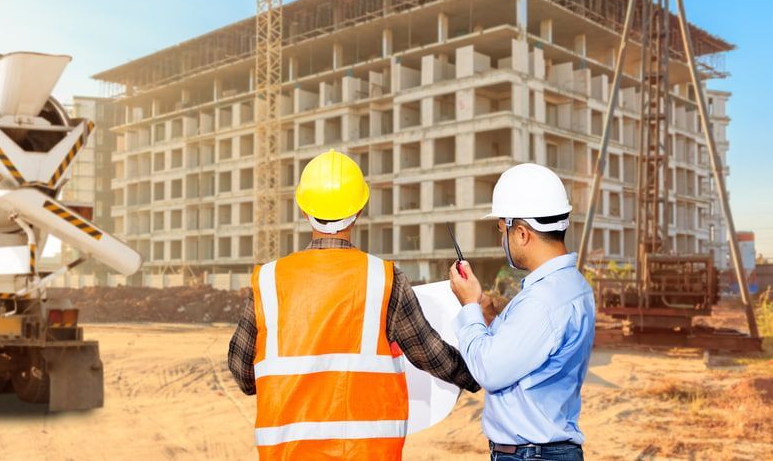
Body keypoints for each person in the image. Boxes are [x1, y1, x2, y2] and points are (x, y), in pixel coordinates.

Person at [228, 149, 480, 460]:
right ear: (359, 209)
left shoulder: (267, 282)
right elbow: (431, 355)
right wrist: (478, 373)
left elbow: (243, 374)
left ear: (304, 210)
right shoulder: (384, 280)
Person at [449, 163, 594, 461]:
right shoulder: (570, 286)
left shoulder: (544, 301)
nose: (501, 239)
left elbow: (488, 369)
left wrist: (468, 308)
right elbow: (526, 348)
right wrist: (484, 307)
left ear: (523, 234)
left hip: (532, 455)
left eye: (502, 230)